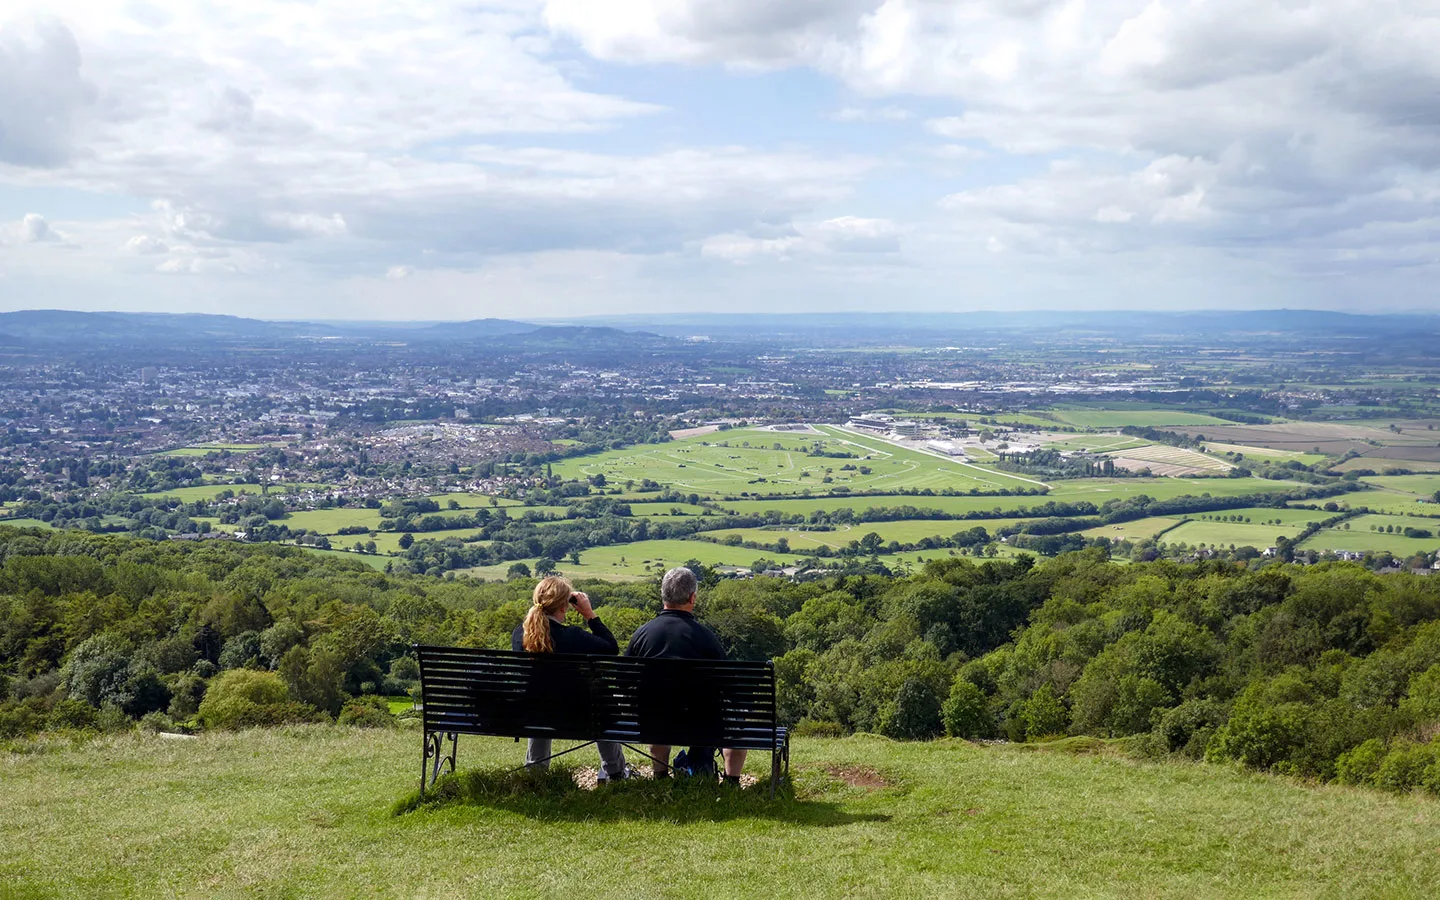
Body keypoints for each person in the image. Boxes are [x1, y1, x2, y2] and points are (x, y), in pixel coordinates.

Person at [625, 566, 747, 784]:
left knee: (657, 714)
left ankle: (660, 776)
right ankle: (732, 783)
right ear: (692, 598)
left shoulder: (642, 634)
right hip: (701, 723)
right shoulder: (704, 637)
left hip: (653, 721)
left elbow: (624, 682)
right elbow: (728, 684)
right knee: (734, 718)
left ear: (663, 595)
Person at [511, 575, 629, 781]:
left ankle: (535, 772)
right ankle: (616, 772)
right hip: (581, 716)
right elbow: (611, 648)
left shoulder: (519, 635)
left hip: (535, 714)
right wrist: (589, 614)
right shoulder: (573, 636)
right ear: (564, 607)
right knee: (602, 704)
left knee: (540, 699)